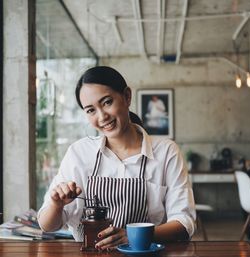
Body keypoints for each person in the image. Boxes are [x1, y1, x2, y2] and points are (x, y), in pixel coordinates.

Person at [38, 66, 196, 251]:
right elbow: (46, 225)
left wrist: (133, 237)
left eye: (107, 102)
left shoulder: (166, 152)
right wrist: (57, 204)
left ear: (127, 97)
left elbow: (184, 224)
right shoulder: (79, 153)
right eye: (90, 110)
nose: (102, 116)